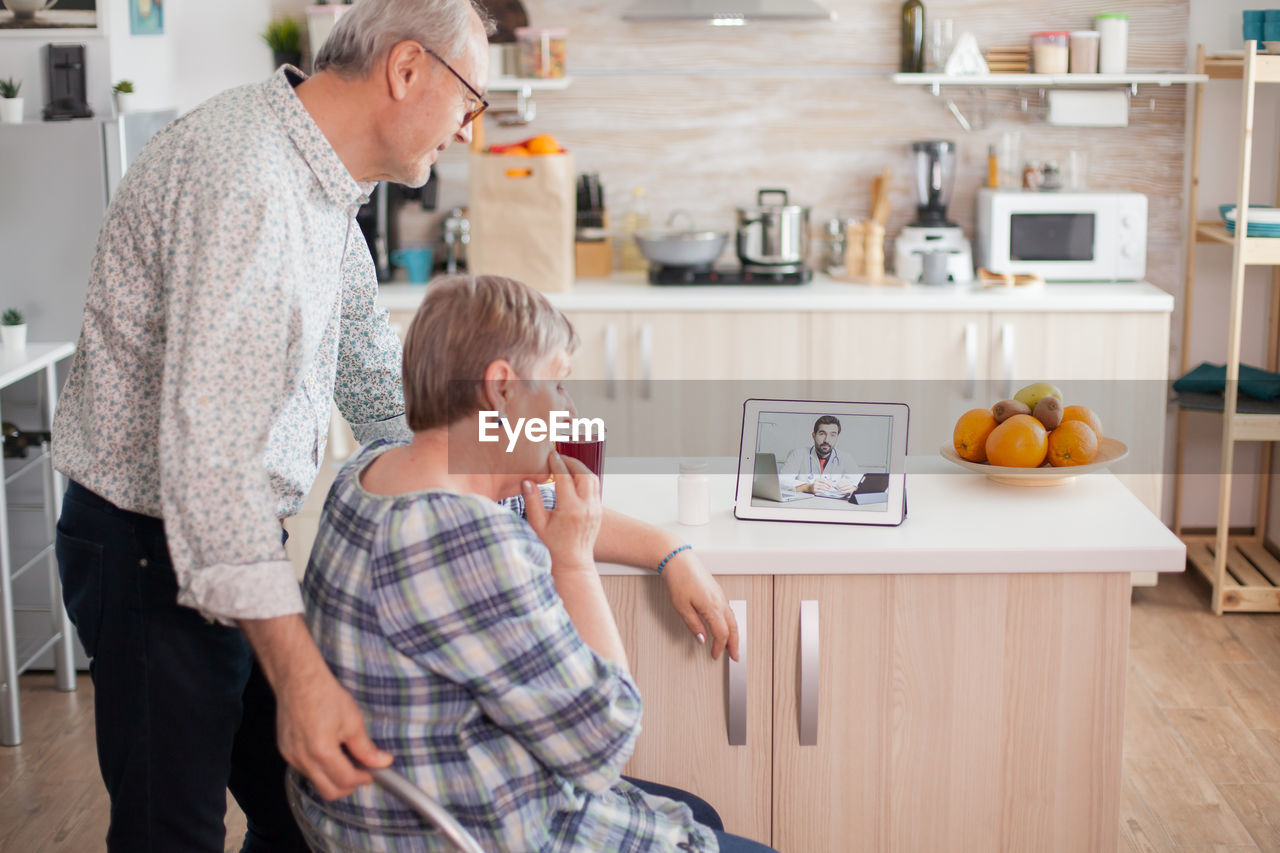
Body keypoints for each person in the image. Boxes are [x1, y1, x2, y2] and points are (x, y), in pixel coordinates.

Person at [49, 1, 737, 849]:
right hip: (147, 542)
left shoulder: (327, 185)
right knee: (174, 828)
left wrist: (648, 540)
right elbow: (213, 467)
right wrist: (301, 679)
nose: (468, 133)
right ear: (406, 70)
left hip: (233, 544)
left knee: (297, 810)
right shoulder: (251, 186)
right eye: (470, 103)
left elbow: (395, 408)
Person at [288, 274, 774, 853]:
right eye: (559, 385)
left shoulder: (364, 476)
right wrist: (572, 564)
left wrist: (668, 550)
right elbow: (603, 746)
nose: (568, 412)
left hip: (374, 821)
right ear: (502, 389)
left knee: (701, 812)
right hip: (492, 829)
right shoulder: (476, 543)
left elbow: (527, 505)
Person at [778, 415, 862, 497]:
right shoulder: (798, 454)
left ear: (837, 437)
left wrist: (853, 488)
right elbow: (781, 482)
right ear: (814, 436)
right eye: (822, 434)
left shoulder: (846, 458)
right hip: (804, 505)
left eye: (833, 435)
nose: (827, 440)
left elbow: (860, 484)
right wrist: (808, 487)